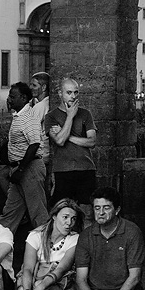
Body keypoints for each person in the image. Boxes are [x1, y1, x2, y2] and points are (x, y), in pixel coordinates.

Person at [0, 82, 49, 233]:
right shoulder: (19, 116)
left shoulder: (29, 117)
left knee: (38, 213)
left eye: (13, 97)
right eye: (9, 96)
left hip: (29, 169)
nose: (9, 99)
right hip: (19, 170)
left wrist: (21, 169)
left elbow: (34, 144)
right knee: (10, 212)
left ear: (23, 98)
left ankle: (48, 243)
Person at [44, 78, 97, 206]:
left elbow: (92, 142)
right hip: (63, 170)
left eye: (76, 92)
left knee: (87, 209)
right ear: (60, 93)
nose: (73, 96)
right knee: (61, 208)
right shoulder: (51, 116)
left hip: (86, 168)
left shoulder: (85, 114)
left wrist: (68, 136)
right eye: (69, 92)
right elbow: (59, 141)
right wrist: (70, 116)